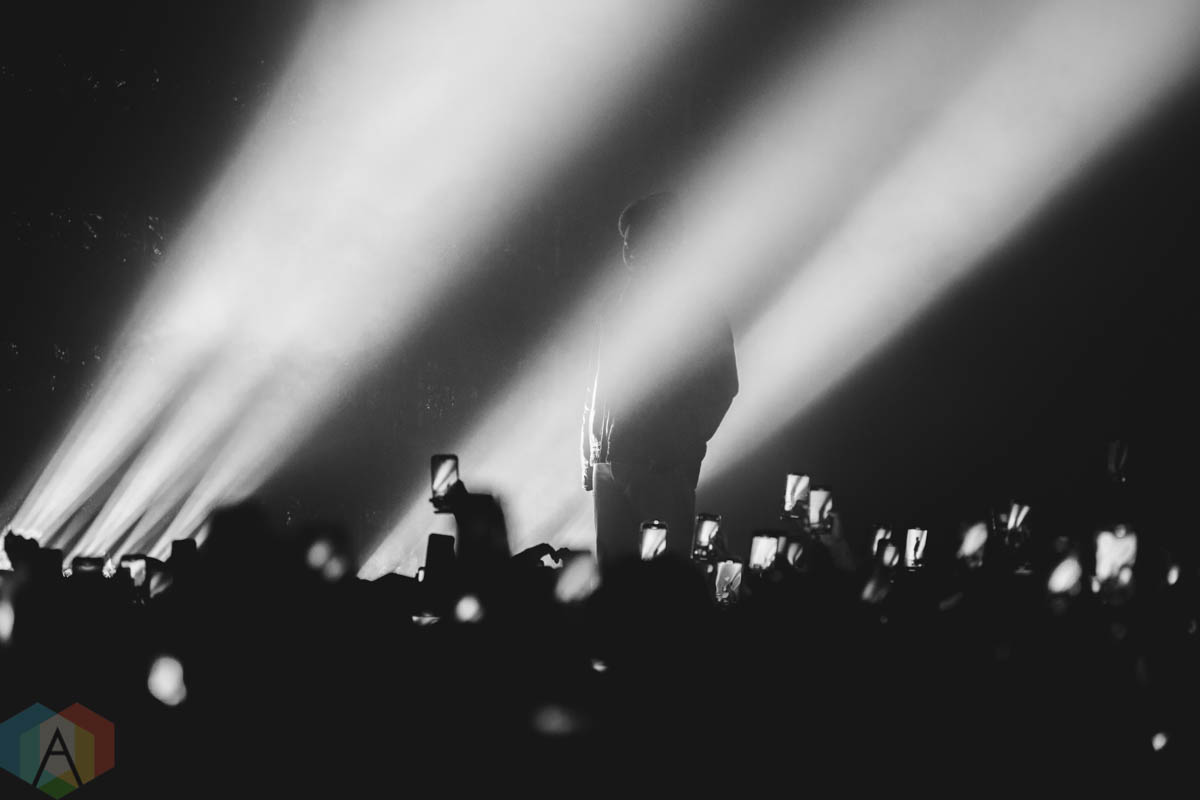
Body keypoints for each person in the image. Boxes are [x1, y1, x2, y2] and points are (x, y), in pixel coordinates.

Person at [581, 192, 738, 571]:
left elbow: (722, 385)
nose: (629, 250)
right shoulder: (615, 309)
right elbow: (597, 387)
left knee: (663, 580)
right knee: (615, 578)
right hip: (612, 465)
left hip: (661, 468)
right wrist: (591, 455)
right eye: (627, 242)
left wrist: (674, 449)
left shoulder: (698, 311)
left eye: (637, 240)